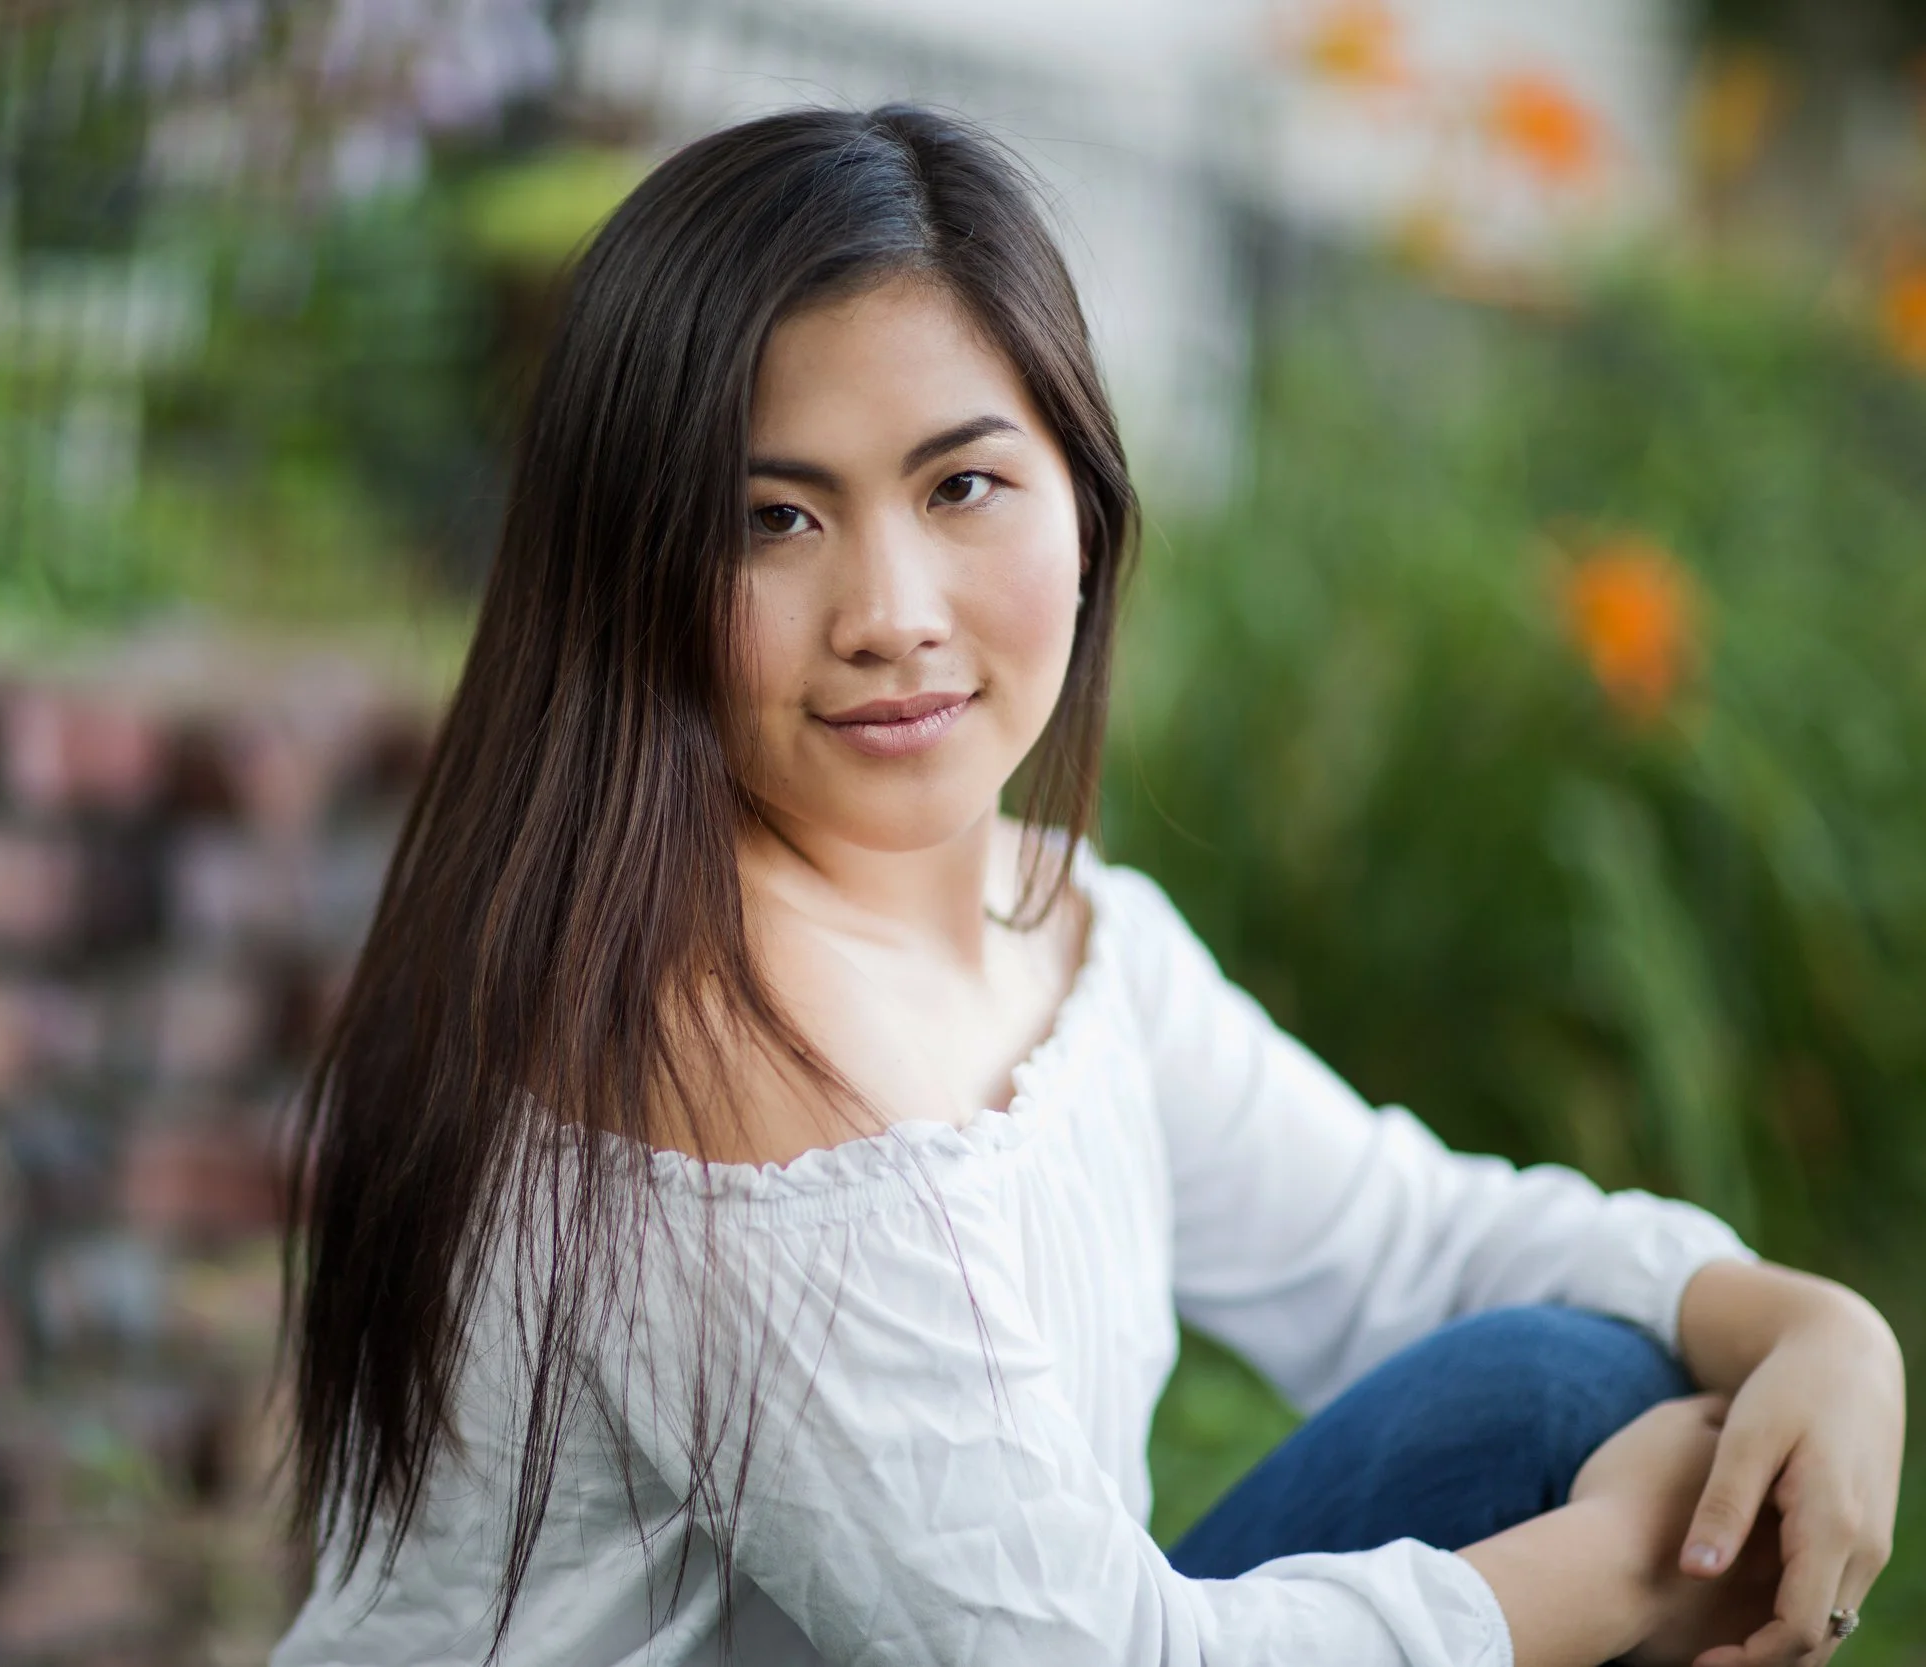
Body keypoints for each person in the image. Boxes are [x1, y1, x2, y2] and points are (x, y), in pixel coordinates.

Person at [269, 104, 1904, 1667]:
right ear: (630, 574)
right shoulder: (716, 1057)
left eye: (961, 484)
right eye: (773, 519)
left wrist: (1813, 1326)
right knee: (1573, 1418)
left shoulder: (1059, 933)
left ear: (1086, 499)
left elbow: (1408, 1247)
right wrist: (1629, 1557)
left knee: (1576, 1375)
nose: (891, 611)